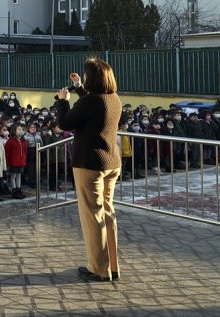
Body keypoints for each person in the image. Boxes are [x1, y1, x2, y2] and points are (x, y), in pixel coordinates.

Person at [55, 58, 122, 282]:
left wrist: (62, 101)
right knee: (107, 212)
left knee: (93, 215)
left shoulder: (91, 101)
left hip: (90, 164)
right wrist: (79, 88)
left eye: (85, 76)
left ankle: (98, 268)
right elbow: (92, 107)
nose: (83, 78)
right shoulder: (113, 98)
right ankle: (112, 266)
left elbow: (65, 123)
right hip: (111, 162)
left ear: (92, 78)